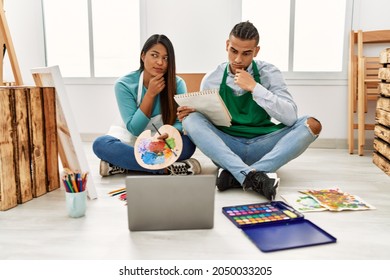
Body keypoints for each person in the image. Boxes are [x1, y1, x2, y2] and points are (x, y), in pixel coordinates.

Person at [177, 21, 322, 200]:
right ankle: (254, 176)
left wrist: (255, 87)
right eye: (233, 51)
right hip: (228, 146)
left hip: (264, 145)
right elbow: (208, 127)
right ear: (226, 46)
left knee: (311, 124)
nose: (238, 59)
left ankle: (238, 175)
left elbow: (291, 118)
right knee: (191, 120)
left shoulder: (269, 73)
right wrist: (194, 112)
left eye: (246, 53)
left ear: (256, 51)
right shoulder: (211, 79)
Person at [93, 34, 201, 176]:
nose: (160, 62)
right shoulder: (123, 84)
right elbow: (135, 129)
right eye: (154, 55)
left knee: (189, 143)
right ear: (143, 56)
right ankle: (164, 168)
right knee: (100, 144)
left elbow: (180, 122)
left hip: (162, 142)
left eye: (165, 58)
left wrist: (169, 133)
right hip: (133, 141)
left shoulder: (178, 84)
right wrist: (150, 94)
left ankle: (125, 165)